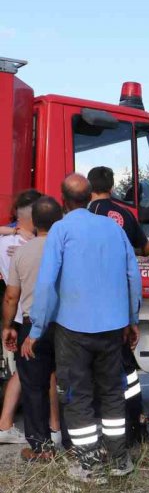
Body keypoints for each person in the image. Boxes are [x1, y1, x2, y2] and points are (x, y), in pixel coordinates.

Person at [26, 174, 141, 481]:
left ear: (63, 200)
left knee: (77, 397)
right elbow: (132, 276)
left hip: (73, 330)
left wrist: (37, 331)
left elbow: (47, 283)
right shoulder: (113, 229)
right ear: (91, 196)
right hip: (112, 329)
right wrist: (131, 320)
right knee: (112, 393)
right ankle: (119, 460)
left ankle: (89, 465)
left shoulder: (61, 230)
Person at [87, 166, 149, 445]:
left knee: (92, 369)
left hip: (91, 303)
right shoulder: (126, 214)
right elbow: (147, 249)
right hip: (121, 301)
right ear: (112, 187)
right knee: (126, 369)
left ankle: (101, 431)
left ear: (90, 187)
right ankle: (136, 426)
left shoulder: (85, 214)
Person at [3, 197, 63, 460]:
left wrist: (8, 327)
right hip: (68, 326)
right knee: (75, 383)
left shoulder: (22, 253)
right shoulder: (66, 248)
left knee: (34, 387)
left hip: (32, 326)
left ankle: (41, 449)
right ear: (59, 219)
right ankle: (74, 443)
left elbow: (11, 297)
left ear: (33, 222)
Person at [0, 189, 40, 445]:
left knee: (26, 369)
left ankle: (5, 423)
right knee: (38, 369)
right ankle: (53, 429)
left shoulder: (10, 241)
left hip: (18, 312)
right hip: (31, 312)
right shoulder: (26, 245)